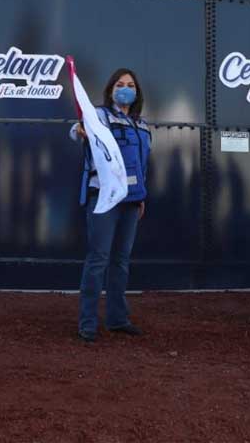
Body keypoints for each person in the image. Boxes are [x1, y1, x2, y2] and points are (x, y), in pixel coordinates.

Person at [70, 69, 151, 342]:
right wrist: (80, 130)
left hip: (131, 201)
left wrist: (141, 197)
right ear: (111, 89)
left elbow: (142, 165)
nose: (125, 88)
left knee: (121, 261)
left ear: (137, 91)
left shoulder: (142, 125)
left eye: (130, 85)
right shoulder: (100, 115)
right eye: (120, 84)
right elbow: (77, 129)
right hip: (103, 196)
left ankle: (117, 318)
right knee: (98, 260)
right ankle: (88, 323)